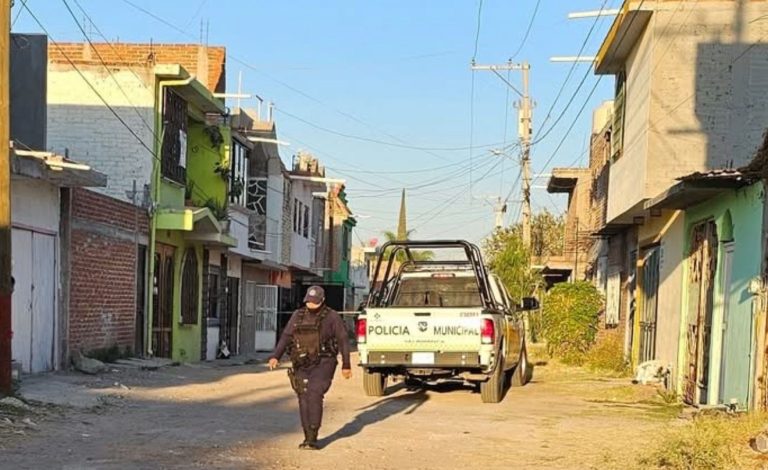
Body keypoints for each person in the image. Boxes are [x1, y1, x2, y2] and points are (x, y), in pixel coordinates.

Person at [268, 285, 352, 450]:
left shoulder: (332, 317)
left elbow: (343, 340)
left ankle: (313, 437)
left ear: (322, 301)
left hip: (324, 362)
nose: (311, 305)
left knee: (314, 393)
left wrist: (346, 365)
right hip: (301, 361)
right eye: (309, 302)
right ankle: (307, 436)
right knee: (303, 395)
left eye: (315, 302)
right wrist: (275, 356)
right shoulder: (298, 315)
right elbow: (286, 336)